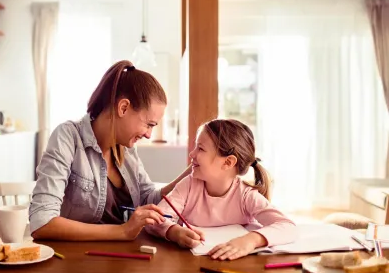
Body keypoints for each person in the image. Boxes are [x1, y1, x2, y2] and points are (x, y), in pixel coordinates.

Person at [29, 60, 193, 241]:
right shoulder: (68, 137)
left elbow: (148, 200)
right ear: (123, 108)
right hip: (75, 260)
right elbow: (42, 222)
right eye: (149, 124)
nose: (148, 134)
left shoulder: (126, 148)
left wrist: (192, 170)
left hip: (125, 258)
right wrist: (123, 232)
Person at [146, 119, 297, 260]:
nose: (192, 154)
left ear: (228, 162)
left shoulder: (246, 196)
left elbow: (287, 227)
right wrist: (175, 232)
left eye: (201, 148)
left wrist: (250, 240)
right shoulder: (188, 186)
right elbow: (154, 220)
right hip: (191, 263)